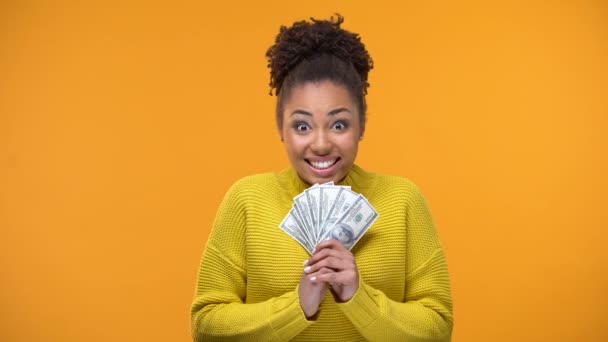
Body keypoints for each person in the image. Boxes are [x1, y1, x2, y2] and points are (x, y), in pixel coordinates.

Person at [191, 15, 453, 341]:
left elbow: (439, 329)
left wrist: (358, 297)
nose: (320, 144)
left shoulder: (403, 200)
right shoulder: (246, 199)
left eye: (339, 124)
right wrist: (297, 306)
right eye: (302, 126)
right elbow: (206, 325)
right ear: (281, 129)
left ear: (362, 126)